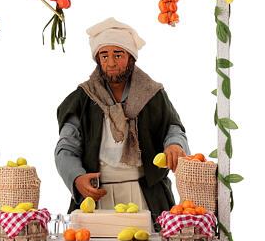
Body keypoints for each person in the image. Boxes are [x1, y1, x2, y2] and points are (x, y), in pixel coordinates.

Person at [55, 17, 189, 226]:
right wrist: (76, 177)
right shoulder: (83, 98)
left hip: (145, 194)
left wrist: (174, 145)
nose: (110, 63)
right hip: (97, 195)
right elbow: (66, 147)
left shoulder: (152, 94)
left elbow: (172, 128)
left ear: (130, 57)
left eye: (118, 55)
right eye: (104, 55)